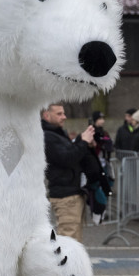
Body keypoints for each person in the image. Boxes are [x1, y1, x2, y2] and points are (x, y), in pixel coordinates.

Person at [42, 103, 95, 241]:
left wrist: (81, 140)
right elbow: (66, 158)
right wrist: (82, 142)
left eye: (64, 113)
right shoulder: (48, 136)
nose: (64, 117)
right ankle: (65, 263)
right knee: (68, 241)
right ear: (46, 115)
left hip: (71, 192)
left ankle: (73, 263)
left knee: (74, 239)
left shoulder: (57, 133)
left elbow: (69, 153)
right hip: (65, 195)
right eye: (59, 114)